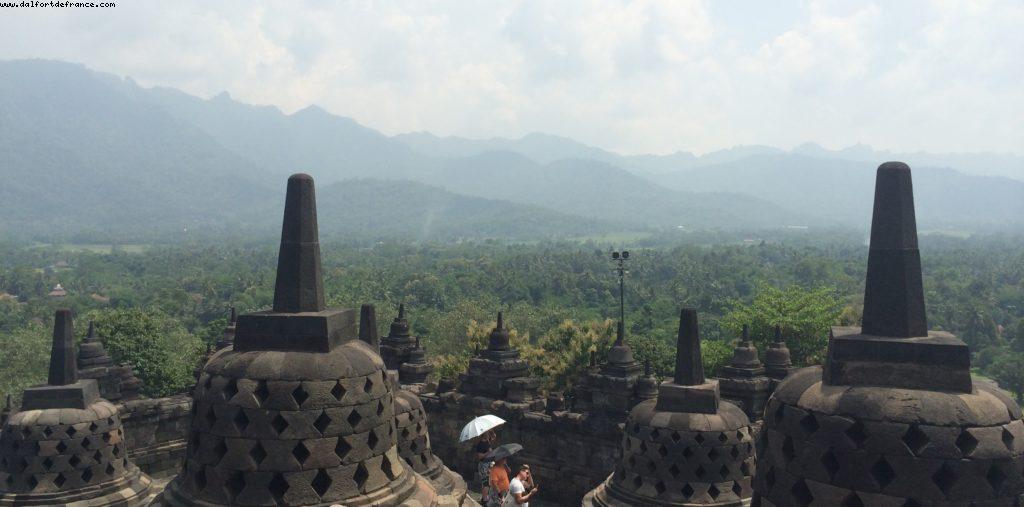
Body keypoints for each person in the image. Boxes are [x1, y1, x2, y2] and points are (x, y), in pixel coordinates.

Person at [475, 431, 497, 501]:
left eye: (488, 433)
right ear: (483, 434)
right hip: (483, 465)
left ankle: (484, 497)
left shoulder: (487, 441)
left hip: (488, 465)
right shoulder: (480, 444)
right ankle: (484, 500)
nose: (488, 434)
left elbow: (494, 436)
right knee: (486, 483)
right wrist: (488, 452)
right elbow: (479, 456)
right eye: (487, 433)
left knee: (486, 483)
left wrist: (491, 430)